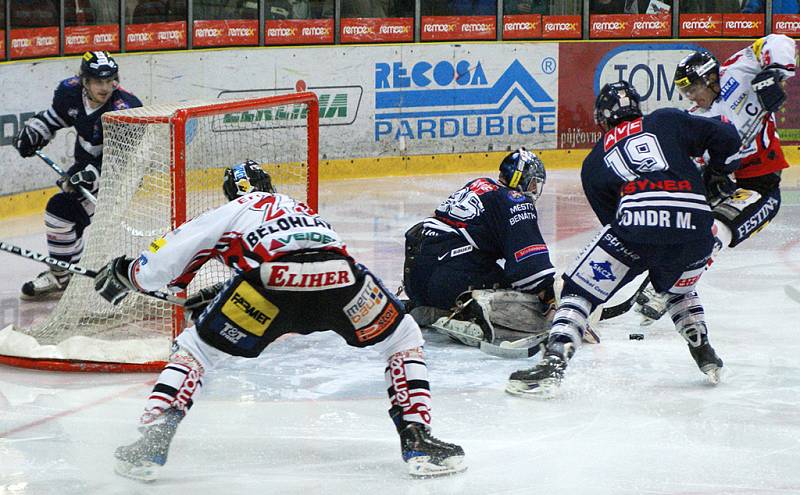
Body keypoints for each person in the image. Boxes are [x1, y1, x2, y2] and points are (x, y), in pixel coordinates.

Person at [92, 160, 467, 481]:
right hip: (340, 278)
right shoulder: (301, 209)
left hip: (267, 289)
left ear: (232, 194)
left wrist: (127, 272)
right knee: (403, 337)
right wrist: (226, 290)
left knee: (194, 349)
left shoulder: (232, 209)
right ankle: (418, 439)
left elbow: (163, 263)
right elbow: (306, 255)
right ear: (269, 186)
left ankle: (153, 438)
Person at [506, 81, 743, 398]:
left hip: (637, 220)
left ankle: (553, 363)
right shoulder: (665, 119)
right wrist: (718, 173)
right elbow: (727, 135)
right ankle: (704, 352)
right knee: (677, 287)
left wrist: (645, 246)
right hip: (698, 224)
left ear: (601, 119)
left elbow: (614, 223)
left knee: (578, 290)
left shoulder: (593, 161)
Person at [635, 34, 797, 325]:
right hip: (732, 186)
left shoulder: (737, 70)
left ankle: (669, 289)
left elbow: (777, 40)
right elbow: (691, 164)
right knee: (682, 224)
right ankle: (659, 279)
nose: (692, 96)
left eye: (694, 87)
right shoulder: (698, 116)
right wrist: (706, 176)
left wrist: (776, 71)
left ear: (710, 78)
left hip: (762, 186)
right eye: (686, 92)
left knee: (716, 230)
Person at [13, 51, 142, 300]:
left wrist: (91, 175)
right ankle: (65, 273)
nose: (105, 88)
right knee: (66, 216)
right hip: (84, 166)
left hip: (121, 178)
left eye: (110, 81)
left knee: (60, 211)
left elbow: (122, 160)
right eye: (98, 81)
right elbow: (53, 118)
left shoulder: (125, 108)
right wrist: (34, 133)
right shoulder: (69, 92)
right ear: (84, 81)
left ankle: (61, 275)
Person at [402, 149, 558, 348]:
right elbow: (531, 271)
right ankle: (473, 314)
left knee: (484, 266)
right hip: (451, 277)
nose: (534, 189)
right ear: (520, 179)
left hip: (415, 275)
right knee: (522, 297)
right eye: (533, 182)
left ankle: (430, 309)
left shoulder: (479, 185)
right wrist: (549, 296)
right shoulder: (516, 201)